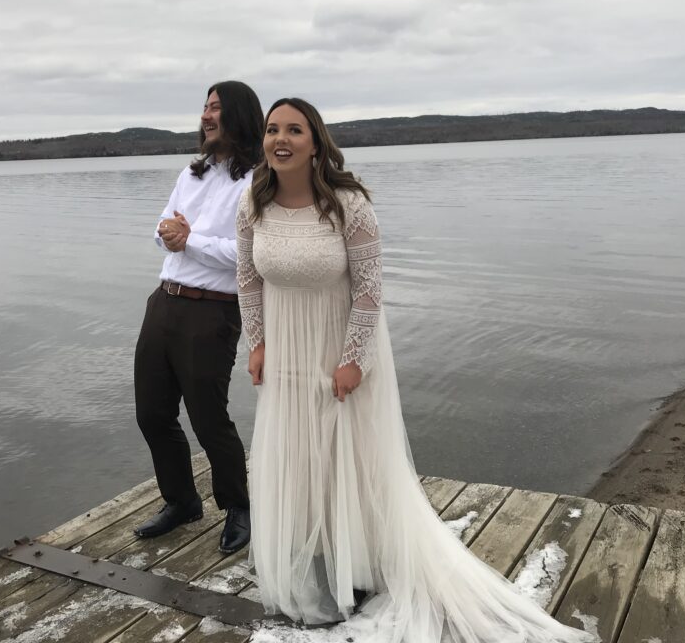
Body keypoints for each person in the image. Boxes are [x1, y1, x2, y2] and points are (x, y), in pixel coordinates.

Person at [236, 98, 592, 641]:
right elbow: (246, 279)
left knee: (345, 462)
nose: (279, 139)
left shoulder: (348, 204)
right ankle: (314, 566)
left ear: (316, 143)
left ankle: (355, 564)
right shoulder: (252, 201)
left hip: (339, 352)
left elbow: (370, 291)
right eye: (271, 130)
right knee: (297, 460)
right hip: (284, 352)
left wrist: (353, 358)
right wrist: (257, 343)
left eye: (294, 130)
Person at [132, 80, 263, 554]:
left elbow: (248, 255)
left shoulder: (257, 182)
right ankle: (182, 502)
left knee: (209, 419)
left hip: (213, 312)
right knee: (152, 413)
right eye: (205, 108)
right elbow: (162, 226)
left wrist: (190, 241)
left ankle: (238, 506)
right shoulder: (192, 173)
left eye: (217, 109)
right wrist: (168, 232)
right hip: (163, 302)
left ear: (240, 117)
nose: (207, 117)